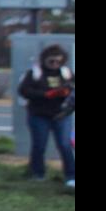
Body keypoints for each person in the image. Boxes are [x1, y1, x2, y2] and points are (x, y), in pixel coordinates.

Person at [17, 44, 76, 187]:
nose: (55, 64)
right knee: (39, 145)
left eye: (58, 61)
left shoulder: (66, 73)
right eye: (52, 61)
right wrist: (46, 94)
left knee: (65, 145)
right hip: (39, 114)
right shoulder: (35, 73)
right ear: (45, 59)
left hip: (62, 114)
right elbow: (24, 91)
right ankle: (38, 173)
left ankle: (71, 175)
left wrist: (66, 94)